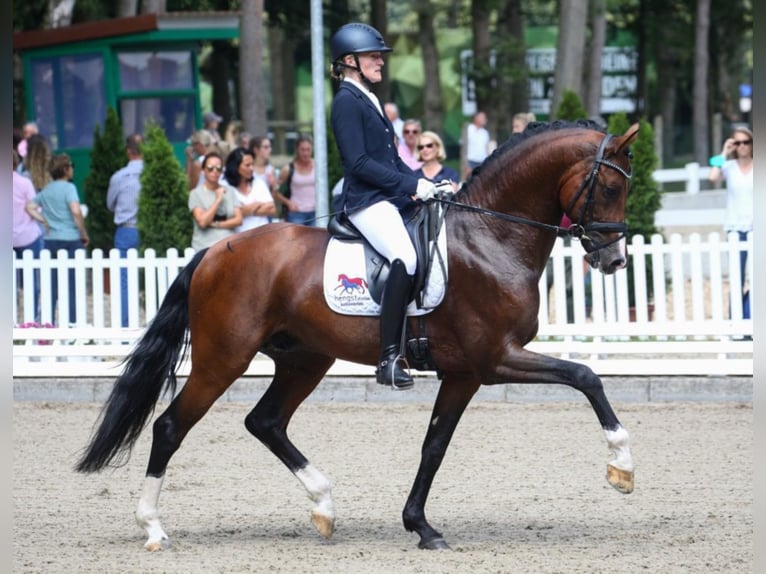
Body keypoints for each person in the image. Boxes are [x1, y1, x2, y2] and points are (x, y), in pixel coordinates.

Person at [329, 22, 437, 390]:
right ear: (350, 60)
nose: (381, 62)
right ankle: (389, 358)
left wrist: (426, 183)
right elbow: (359, 163)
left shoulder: (369, 97)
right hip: (366, 202)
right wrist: (411, 185)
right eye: (374, 56)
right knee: (405, 258)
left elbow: (391, 159)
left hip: (389, 197)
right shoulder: (346, 101)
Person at [26, 153, 90, 325]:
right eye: (71, 166)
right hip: (71, 240)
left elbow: (30, 207)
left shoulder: (46, 190)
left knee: (50, 284)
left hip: (51, 240)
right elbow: (76, 211)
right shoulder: (69, 188)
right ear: (65, 169)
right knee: (72, 285)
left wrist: (45, 220)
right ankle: (72, 323)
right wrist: (83, 233)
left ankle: (49, 322)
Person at [708, 126, 753, 319]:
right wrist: (724, 152)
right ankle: (736, 322)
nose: (742, 146)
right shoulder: (728, 166)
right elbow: (712, 177)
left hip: (758, 228)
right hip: (735, 228)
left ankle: (749, 317)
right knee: (737, 278)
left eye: (746, 142)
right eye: (738, 142)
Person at [106, 133, 144, 327]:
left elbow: (110, 205)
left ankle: (125, 325)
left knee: (124, 281)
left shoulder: (119, 177)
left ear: (128, 151)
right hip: (147, 229)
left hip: (126, 229)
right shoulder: (152, 174)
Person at [188, 151, 243, 250]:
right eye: (210, 168)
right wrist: (218, 200)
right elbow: (203, 222)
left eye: (218, 168)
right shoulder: (195, 194)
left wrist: (215, 224)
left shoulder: (229, 190)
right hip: (205, 249)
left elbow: (238, 220)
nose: (215, 171)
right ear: (203, 170)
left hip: (229, 246)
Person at [13, 150, 44, 322]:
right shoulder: (25, 183)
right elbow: (34, 207)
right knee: (31, 280)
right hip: (27, 237)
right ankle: (31, 317)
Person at [222, 147, 275, 232]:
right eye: (247, 165)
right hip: (237, 238)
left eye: (252, 164)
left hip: (262, 235)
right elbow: (227, 215)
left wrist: (244, 210)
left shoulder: (258, 182)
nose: (251, 168)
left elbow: (271, 209)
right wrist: (257, 205)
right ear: (235, 166)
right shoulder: (224, 186)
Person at [274, 133, 317, 225]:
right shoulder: (288, 169)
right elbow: (275, 192)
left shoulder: (318, 166)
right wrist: (288, 202)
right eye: (302, 150)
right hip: (296, 213)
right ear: (297, 150)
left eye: (308, 150)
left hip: (316, 213)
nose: (306, 153)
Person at [464, 110, 490, 179]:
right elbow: (463, 148)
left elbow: (487, 148)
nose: (485, 120)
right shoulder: (468, 129)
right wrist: (466, 165)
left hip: (483, 162)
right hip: (471, 162)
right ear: (476, 118)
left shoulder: (485, 132)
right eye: (483, 118)